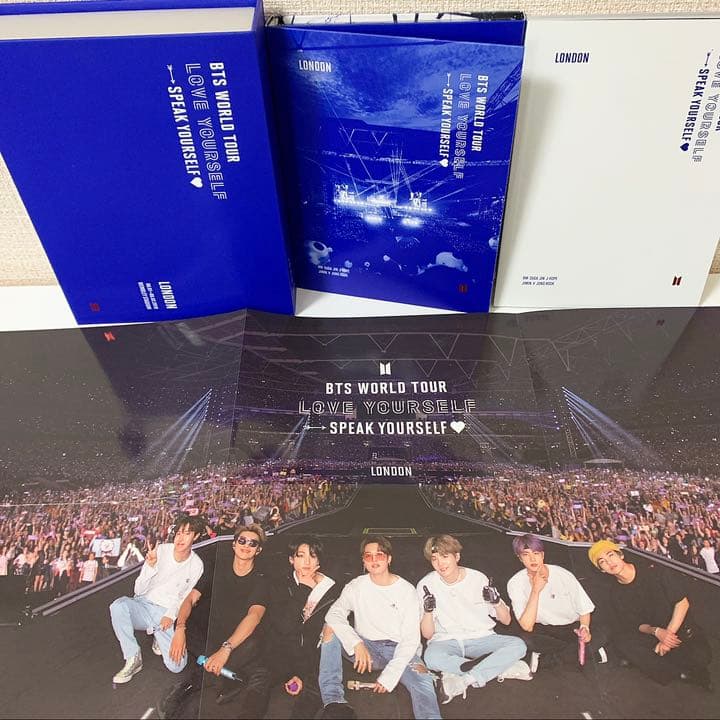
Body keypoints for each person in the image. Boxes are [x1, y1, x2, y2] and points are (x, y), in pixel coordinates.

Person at [318, 535, 441, 720]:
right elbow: (334, 614)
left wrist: (390, 676)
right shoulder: (356, 586)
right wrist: (356, 643)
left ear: (389, 558)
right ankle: (333, 700)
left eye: (380, 555)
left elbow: (410, 639)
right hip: (367, 651)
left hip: (399, 649)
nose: (374, 560)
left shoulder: (406, 590)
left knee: (423, 680)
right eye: (368, 556)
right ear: (363, 561)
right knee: (330, 628)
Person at [158, 523, 271, 719]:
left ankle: (193, 682)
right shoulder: (217, 567)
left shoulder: (262, 579)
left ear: (258, 550)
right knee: (184, 622)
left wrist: (226, 649)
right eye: (242, 541)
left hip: (238, 639)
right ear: (234, 544)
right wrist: (180, 629)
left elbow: (254, 617)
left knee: (254, 643)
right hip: (213, 633)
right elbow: (190, 599)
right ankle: (227, 675)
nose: (246, 545)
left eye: (252, 543)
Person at [418, 534, 530, 705]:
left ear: (457, 556)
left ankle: (464, 679)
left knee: (518, 645)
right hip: (446, 641)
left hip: (481, 638)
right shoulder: (425, 585)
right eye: (434, 559)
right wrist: (428, 611)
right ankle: (498, 666)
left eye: (445, 556)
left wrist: (496, 602)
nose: (440, 563)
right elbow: (427, 634)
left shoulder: (478, 578)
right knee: (431, 657)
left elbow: (506, 620)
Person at [588, 539, 713, 689]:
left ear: (620, 555)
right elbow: (637, 625)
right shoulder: (616, 593)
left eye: (610, 555)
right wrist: (657, 632)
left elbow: (682, 603)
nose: (609, 562)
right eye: (602, 562)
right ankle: (678, 673)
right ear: (602, 570)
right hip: (655, 635)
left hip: (678, 629)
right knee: (623, 642)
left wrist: (667, 636)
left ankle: (662, 662)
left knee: (701, 657)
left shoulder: (654, 571)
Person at [109, 514, 204, 684]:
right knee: (118, 606)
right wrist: (150, 567)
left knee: (177, 666)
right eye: (179, 533)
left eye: (187, 533)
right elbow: (138, 590)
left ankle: (158, 636)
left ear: (196, 536)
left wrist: (171, 616)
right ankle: (133, 657)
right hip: (143, 604)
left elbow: (184, 597)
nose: (181, 538)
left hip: (164, 615)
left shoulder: (196, 565)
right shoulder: (161, 550)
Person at [266, 535, 341, 719]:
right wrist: (304, 590)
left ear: (319, 560)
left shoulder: (333, 589)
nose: (307, 562)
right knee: (260, 682)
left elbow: (323, 637)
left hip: (316, 657)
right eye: (301, 556)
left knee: (313, 694)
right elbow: (283, 627)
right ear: (291, 560)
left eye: (313, 556)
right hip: (284, 654)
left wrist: (300, 673)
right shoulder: (280, 585)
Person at [507, 534, 605, 672]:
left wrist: (585, 628)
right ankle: (579, 653)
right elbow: (527, 626)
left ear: (542, 555)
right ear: (520, 558)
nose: (532, 559)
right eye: (526, 555)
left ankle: (552, 659)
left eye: (536, 553)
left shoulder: (563, 574)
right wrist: (535, 591)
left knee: (603, 631)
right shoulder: (515, 582)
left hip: (572, 627)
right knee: (523, 640)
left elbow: (584, 608)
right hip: (544, 630)